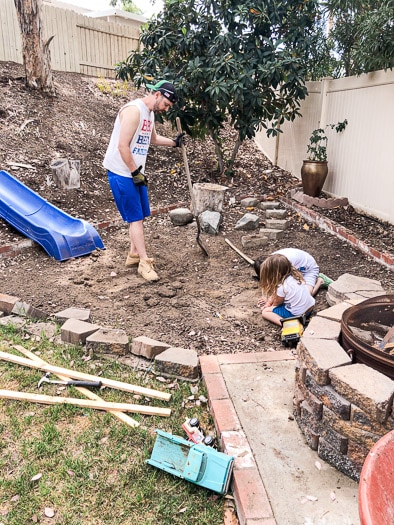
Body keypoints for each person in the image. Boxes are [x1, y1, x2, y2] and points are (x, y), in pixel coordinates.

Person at [103, 80, 185, 282]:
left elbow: (152, 139)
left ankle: (133, 255)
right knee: (135, 219)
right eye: (166, 104)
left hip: (135, 172)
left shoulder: (149, 113)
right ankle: (144, 263)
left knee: (141, 214)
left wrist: (175, 143)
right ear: (157, 95)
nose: (166, 109)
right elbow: (123, 146)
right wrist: (134, 173)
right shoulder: (133, 111)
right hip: (122, 173)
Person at [257, 253, 315, 326]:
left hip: (297, 314)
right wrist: (269, 302)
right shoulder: (295, 276)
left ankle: (288, 325)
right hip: (309, 308)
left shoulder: (282, 287)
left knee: (265, 312)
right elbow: (275, 296)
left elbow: (277, 303)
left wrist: (269, 307)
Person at [253, 247, 332, 296]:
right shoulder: (270, 262)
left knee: (306, 295)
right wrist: (264, 296)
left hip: (307, 269)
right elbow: (265, 281)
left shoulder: (284, 262)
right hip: (294, 268)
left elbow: (298, 276)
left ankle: (319, 281)